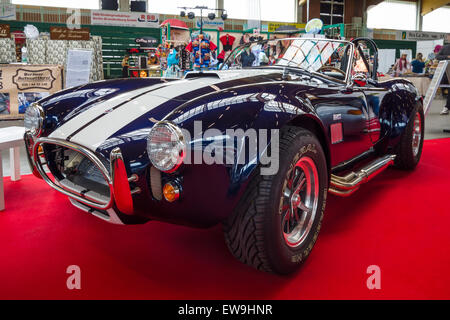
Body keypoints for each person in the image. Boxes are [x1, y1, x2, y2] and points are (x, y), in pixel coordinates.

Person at [435, 43, 450, 115]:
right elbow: (437, 56)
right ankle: (447, 107)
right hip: (447, 73)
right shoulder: (445, 47)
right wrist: (447, 56)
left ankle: (447, 107)